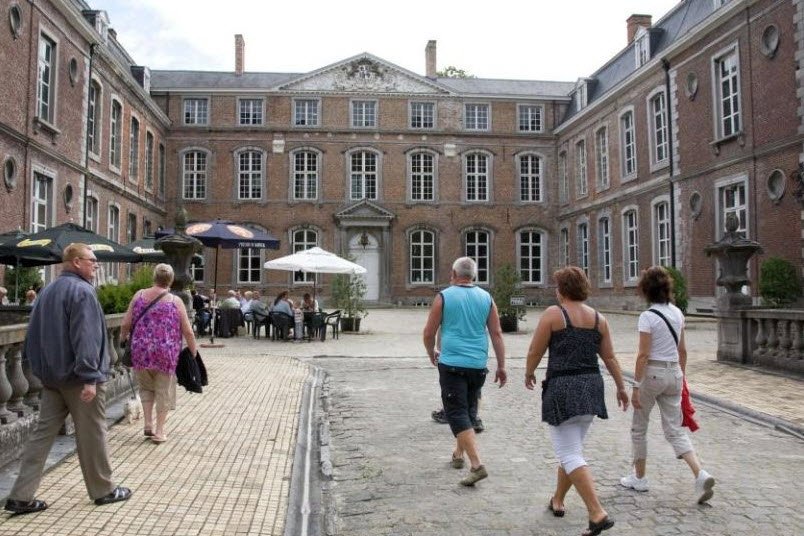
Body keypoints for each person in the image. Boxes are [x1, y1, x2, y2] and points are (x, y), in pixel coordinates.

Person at [4, 243, 131, 515]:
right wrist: (88, 378)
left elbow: (32, 336)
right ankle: (104, 490)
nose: (96, 264)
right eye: (92, 260)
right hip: (78, 379)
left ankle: (20, 496)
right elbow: (86, 338)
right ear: (75, 262)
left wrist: (42, 371)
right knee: (93, 434)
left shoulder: (47, 291)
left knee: (41, 436)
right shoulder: (82, 292)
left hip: (52, 379)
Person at [525, 266, 628, 536]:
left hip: (563, 388)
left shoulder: (553, 314)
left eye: (557, 286)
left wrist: (528, 372)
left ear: (563, 290)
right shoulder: (599, 319)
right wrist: (621, 387)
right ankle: (558, 498)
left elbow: (536, 349)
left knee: (569, 453)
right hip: (591, 387)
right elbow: (610, 358)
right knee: (572, 449)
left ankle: (597, 513)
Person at [620, 266, 716, 504]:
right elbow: (682, 350)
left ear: (646, 290)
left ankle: (639, 478)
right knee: (675, 430)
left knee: (639, 427)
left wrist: (635, 385)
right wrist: (681, 377)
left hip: (652, 373)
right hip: (674, 372)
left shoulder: (648, 317)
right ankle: (700, 473)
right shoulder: (677, 313)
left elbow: (643, 355)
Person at [422, 257, 506, 486]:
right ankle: (458, 454)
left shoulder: (444, 297)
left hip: (452, 364)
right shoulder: (486, 298)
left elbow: (429, 332)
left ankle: (477, 465)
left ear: (453, 273)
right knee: (468, 411)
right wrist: (501, 365)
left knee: (457, 413)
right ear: (474, 276)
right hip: (478, 365)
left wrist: (432, 353)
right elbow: (496, 333)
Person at [121, 264, 198, 443]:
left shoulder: (139, 295)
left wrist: (123, 339)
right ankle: (160, 431)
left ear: (154, 277)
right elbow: (188, 331)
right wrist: (193, 352)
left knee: (146, 388)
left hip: (140, 351)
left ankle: (147, 424)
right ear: (170, 280)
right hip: (166, 352)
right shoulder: (174, 301)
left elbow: (125, 323)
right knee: (163, 391)